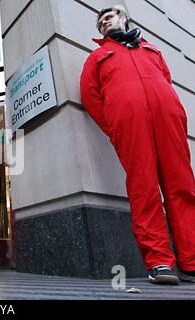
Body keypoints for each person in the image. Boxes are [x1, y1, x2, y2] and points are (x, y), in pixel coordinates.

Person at [80, 5, 195, 285]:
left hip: (168, 120)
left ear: (124, 19)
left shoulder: (153, 50)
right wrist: (115, 126)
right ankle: (159, 262)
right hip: (129, 124)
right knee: (144, 187)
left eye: (108, 18)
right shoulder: (97, 56)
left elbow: (166, 81)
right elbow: (90, 96)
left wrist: (175, 112)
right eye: (100, 23)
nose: (104, 24)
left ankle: (191, 262)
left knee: (183, 186)